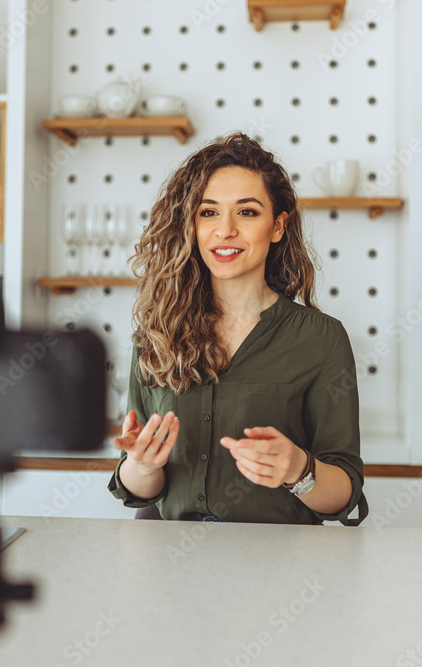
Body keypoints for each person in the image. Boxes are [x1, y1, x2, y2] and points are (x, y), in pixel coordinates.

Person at [108, 132, 368, 525]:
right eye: (208, 212)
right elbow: (140, 489)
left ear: (278, 226)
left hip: (278, 567)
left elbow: (342, 494)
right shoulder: (155, 334)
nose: (224, 230)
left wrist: (299, 469)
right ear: (191, 225)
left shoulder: (322, 339)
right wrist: (142, 465)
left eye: (246, 212)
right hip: (169, 560)